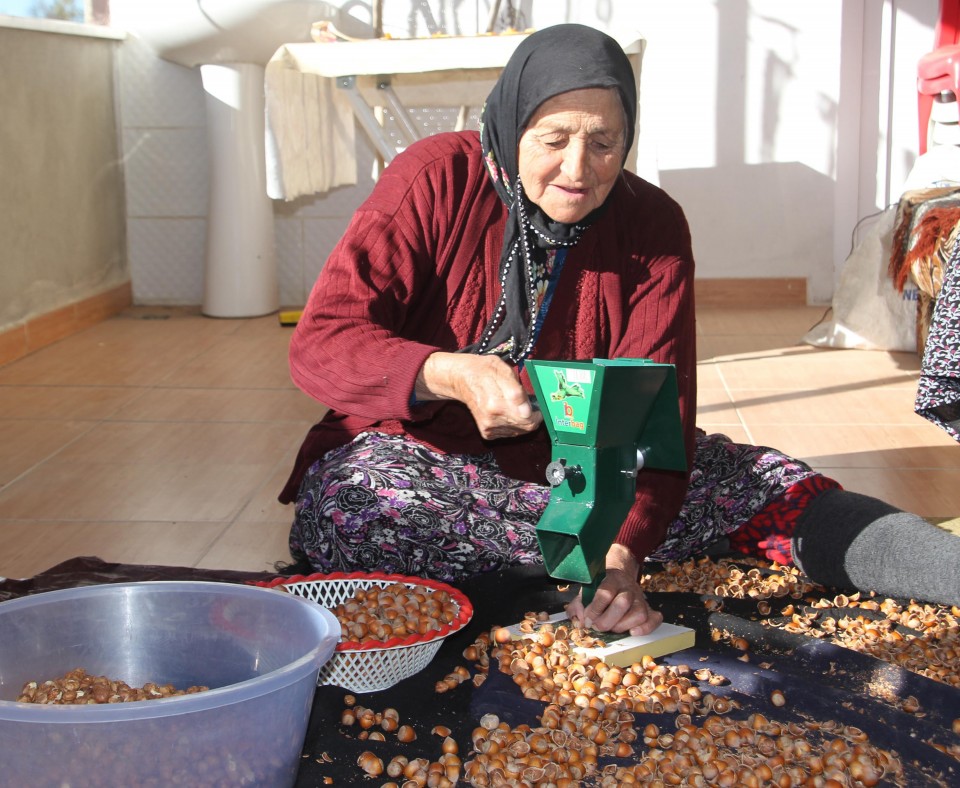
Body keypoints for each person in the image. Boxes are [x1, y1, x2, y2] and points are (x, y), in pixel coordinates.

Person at [280, 24, 960, 635]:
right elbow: (323, 344)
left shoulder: (652, 225)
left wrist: (622, 545)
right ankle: (567, 580)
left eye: (604, 144)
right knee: (355, 500)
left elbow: (655, 423)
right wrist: (448, 371)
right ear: (513, 123)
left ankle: (563, 583)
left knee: (760, 484)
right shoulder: (434, 179)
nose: (578, 171)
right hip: (425, 464)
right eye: (552, 140)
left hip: (590, 478)